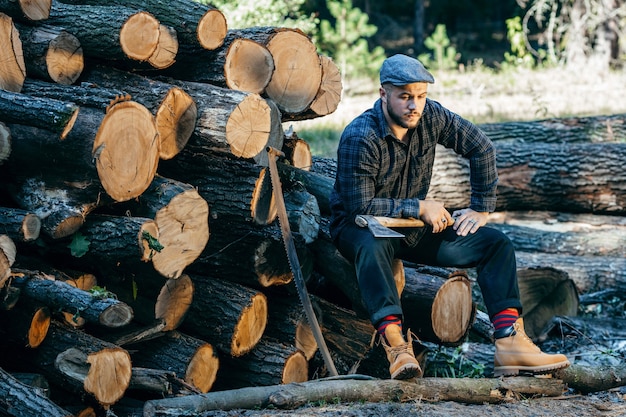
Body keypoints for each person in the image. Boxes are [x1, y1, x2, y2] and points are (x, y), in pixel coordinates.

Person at [328, 54, 570, 380]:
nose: (414, 105)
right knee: (373, 243)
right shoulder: (361, 136)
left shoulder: (431, 116)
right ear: (383, 93)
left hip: (413, 230)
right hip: (360, 228)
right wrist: (419, 207)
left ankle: (510, 344)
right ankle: (397, 347)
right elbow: (361, 207)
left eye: (420, 96)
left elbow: (481, 146)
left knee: (495, 244)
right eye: (405, 96)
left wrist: (481, 207)